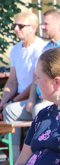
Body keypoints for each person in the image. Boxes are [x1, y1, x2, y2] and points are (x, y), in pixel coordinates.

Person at [1, 10, 48, 151]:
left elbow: (36, 79)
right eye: (15, 25)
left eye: (20, 26)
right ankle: (13, 157)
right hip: (20, 98)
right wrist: (4, 99)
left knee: (13, 109)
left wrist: (14, 100)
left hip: (37, 96)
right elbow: (12, 80)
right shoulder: (15, 49)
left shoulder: (41, 47)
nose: (16, 29)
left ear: (33, 28)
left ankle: (37, 152)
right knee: (7, 109)